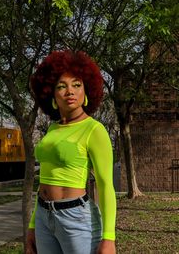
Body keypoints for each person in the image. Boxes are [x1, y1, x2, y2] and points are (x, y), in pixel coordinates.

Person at [27, 50, 116, 254]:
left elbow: (105, 185)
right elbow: (44, 181)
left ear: (86, 91)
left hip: (76, 218)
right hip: (43, 215)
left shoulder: (94, 130)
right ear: (51, 94)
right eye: (61, 86)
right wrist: (33, 224)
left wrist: (109, 238)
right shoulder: (52, 129)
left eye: (77, 85)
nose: (70, 91)